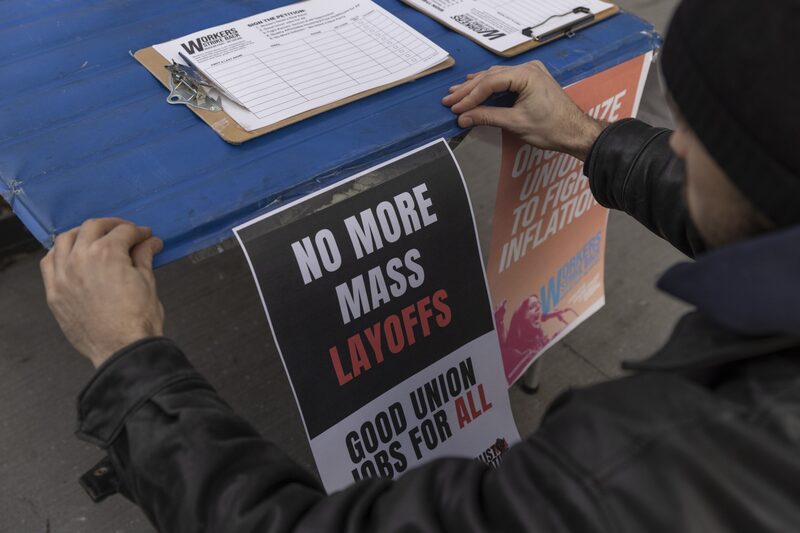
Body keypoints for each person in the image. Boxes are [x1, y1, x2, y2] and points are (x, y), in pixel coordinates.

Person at [40, 0, 800, 531]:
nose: (677, 144)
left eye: (697, 133)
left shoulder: (662, 467)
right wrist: (590, 138)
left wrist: (130, 361)